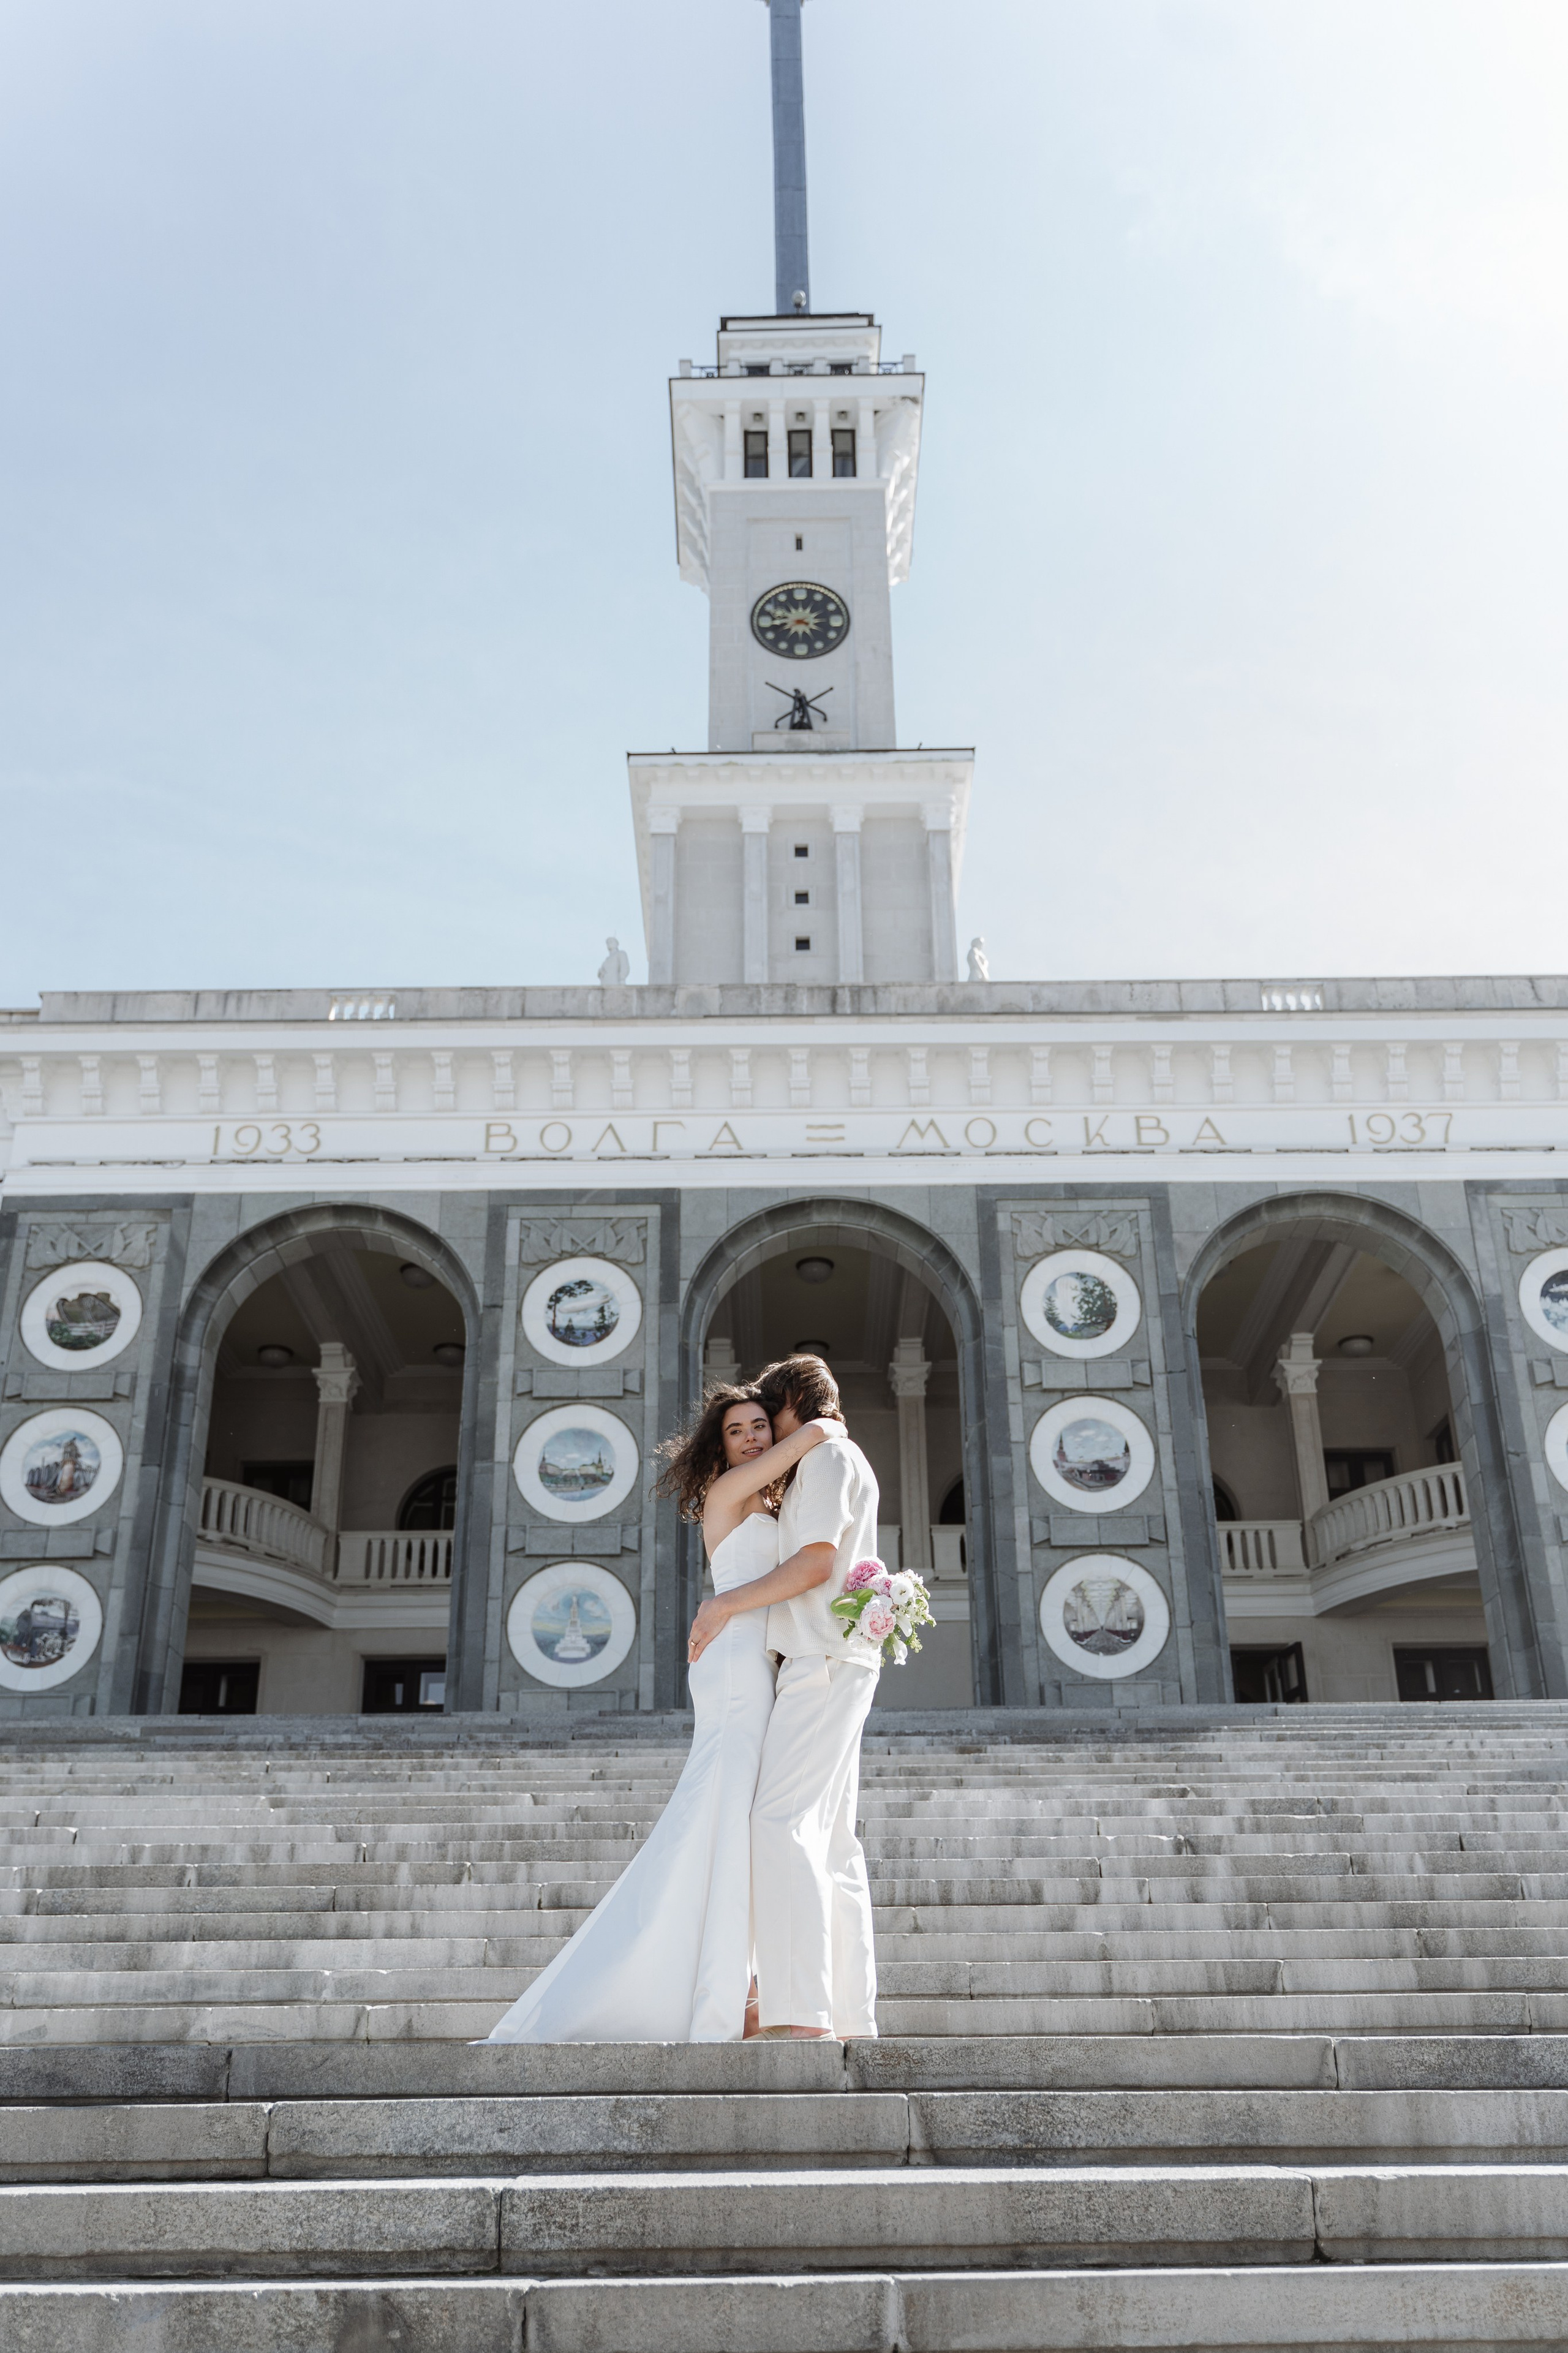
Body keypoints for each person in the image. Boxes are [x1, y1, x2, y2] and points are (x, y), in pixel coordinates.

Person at [483, 1386, 832, 2044]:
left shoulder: (772, 1501)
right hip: (733, 1663)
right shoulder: (728, 1491)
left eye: (760, 1426)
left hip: (760, 1662)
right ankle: (718, 1990)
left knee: (739, 1819)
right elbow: (801, 1449)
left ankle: (737, 1983)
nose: (752, 1438)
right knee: (724, 1812)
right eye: (737, 1430)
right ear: (720, 1446)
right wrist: (822, 1428)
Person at [686, 1353, 881, 2042]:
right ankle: (849, 2013)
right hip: (816, 1657)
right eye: (742, 1427)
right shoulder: (824, 1460)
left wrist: (722, 1603)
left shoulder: (825, 1457)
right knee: (832, 1842)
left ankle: (798, 2012)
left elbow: (816, 1562)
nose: (763, 1431)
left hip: (817, 1658)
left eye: (769, 1415)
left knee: (779, 1821)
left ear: (793, 1403)